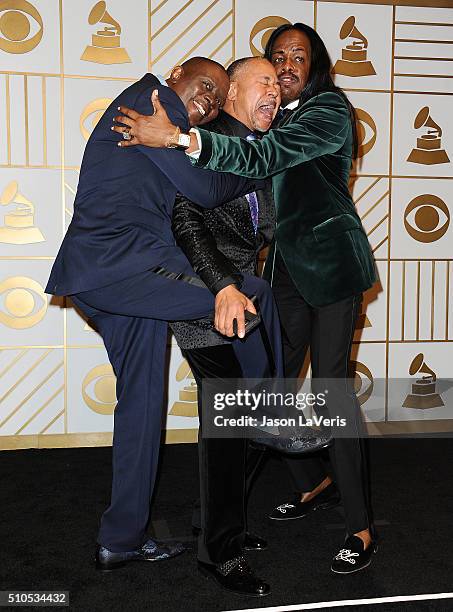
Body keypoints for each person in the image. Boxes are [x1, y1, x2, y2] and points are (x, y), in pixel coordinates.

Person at [111, 23, 378, 575]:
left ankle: (360, 526)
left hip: (330, 266)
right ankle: (306, 485)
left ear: (317, 63)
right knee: (266, 396)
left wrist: (181, 138)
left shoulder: (328, 109)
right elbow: (217, 195)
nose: (284, 67)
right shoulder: (268, 117)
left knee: (330, 390)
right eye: (275, 58)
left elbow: (268, 157)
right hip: (277, 277)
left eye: (297, 57)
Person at [46, 57, 281, 591]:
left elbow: (211, 184)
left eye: (218, 100)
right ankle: (271, 412)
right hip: (121, 265)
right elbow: (206, 191)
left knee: (143, 404)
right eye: (205, 88)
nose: (208, 103)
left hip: (125, 282)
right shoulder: (150, 105)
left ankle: (120, 539)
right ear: (175, 74)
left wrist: (183, 143)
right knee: (252, 293)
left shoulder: (173, 130)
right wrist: (178, 137)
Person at [169, 56, 280, 595]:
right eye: (265, 81)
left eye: (279, 86)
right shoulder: (204, 141)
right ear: (231, 89)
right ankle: (220, 551)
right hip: (202, 294)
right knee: (231, 412)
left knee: (256, 413)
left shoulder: (263, 149)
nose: (276, 90)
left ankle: (215, 520)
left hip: (245, 296)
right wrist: (222, 286)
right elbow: (185, 217)